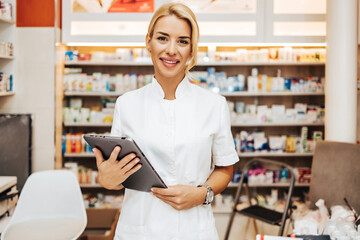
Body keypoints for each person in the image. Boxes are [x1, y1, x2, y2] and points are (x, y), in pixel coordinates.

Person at [93, 2, 239, 239]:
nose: (172, 50)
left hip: (194, 229)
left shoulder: (214, 105)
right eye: (162, 38)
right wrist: (107, 180)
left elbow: (225, 168)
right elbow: (117, 173)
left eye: (182, 41)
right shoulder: (126, 104)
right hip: (138, 230)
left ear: (191, 50)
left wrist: (202, 194)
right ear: (148, 42)